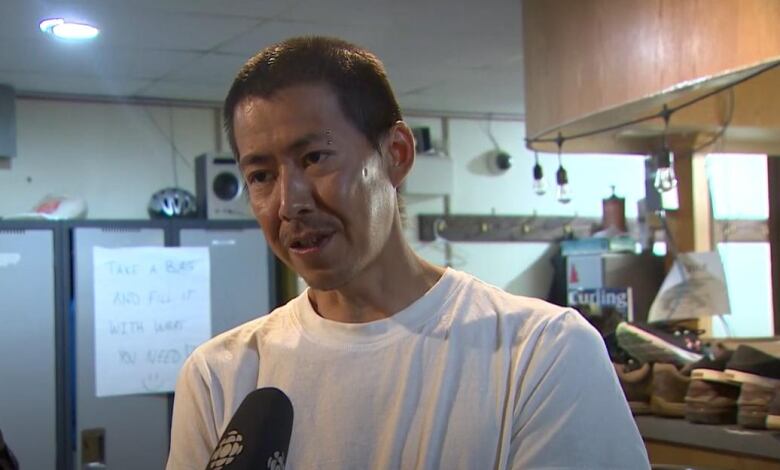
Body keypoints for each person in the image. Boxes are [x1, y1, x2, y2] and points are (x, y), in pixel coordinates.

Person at [166, 36, 649, 469]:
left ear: (395, 154)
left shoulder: (543, 353)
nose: (289, 202)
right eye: (261, 176)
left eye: (314, 158)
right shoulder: (219, 376)